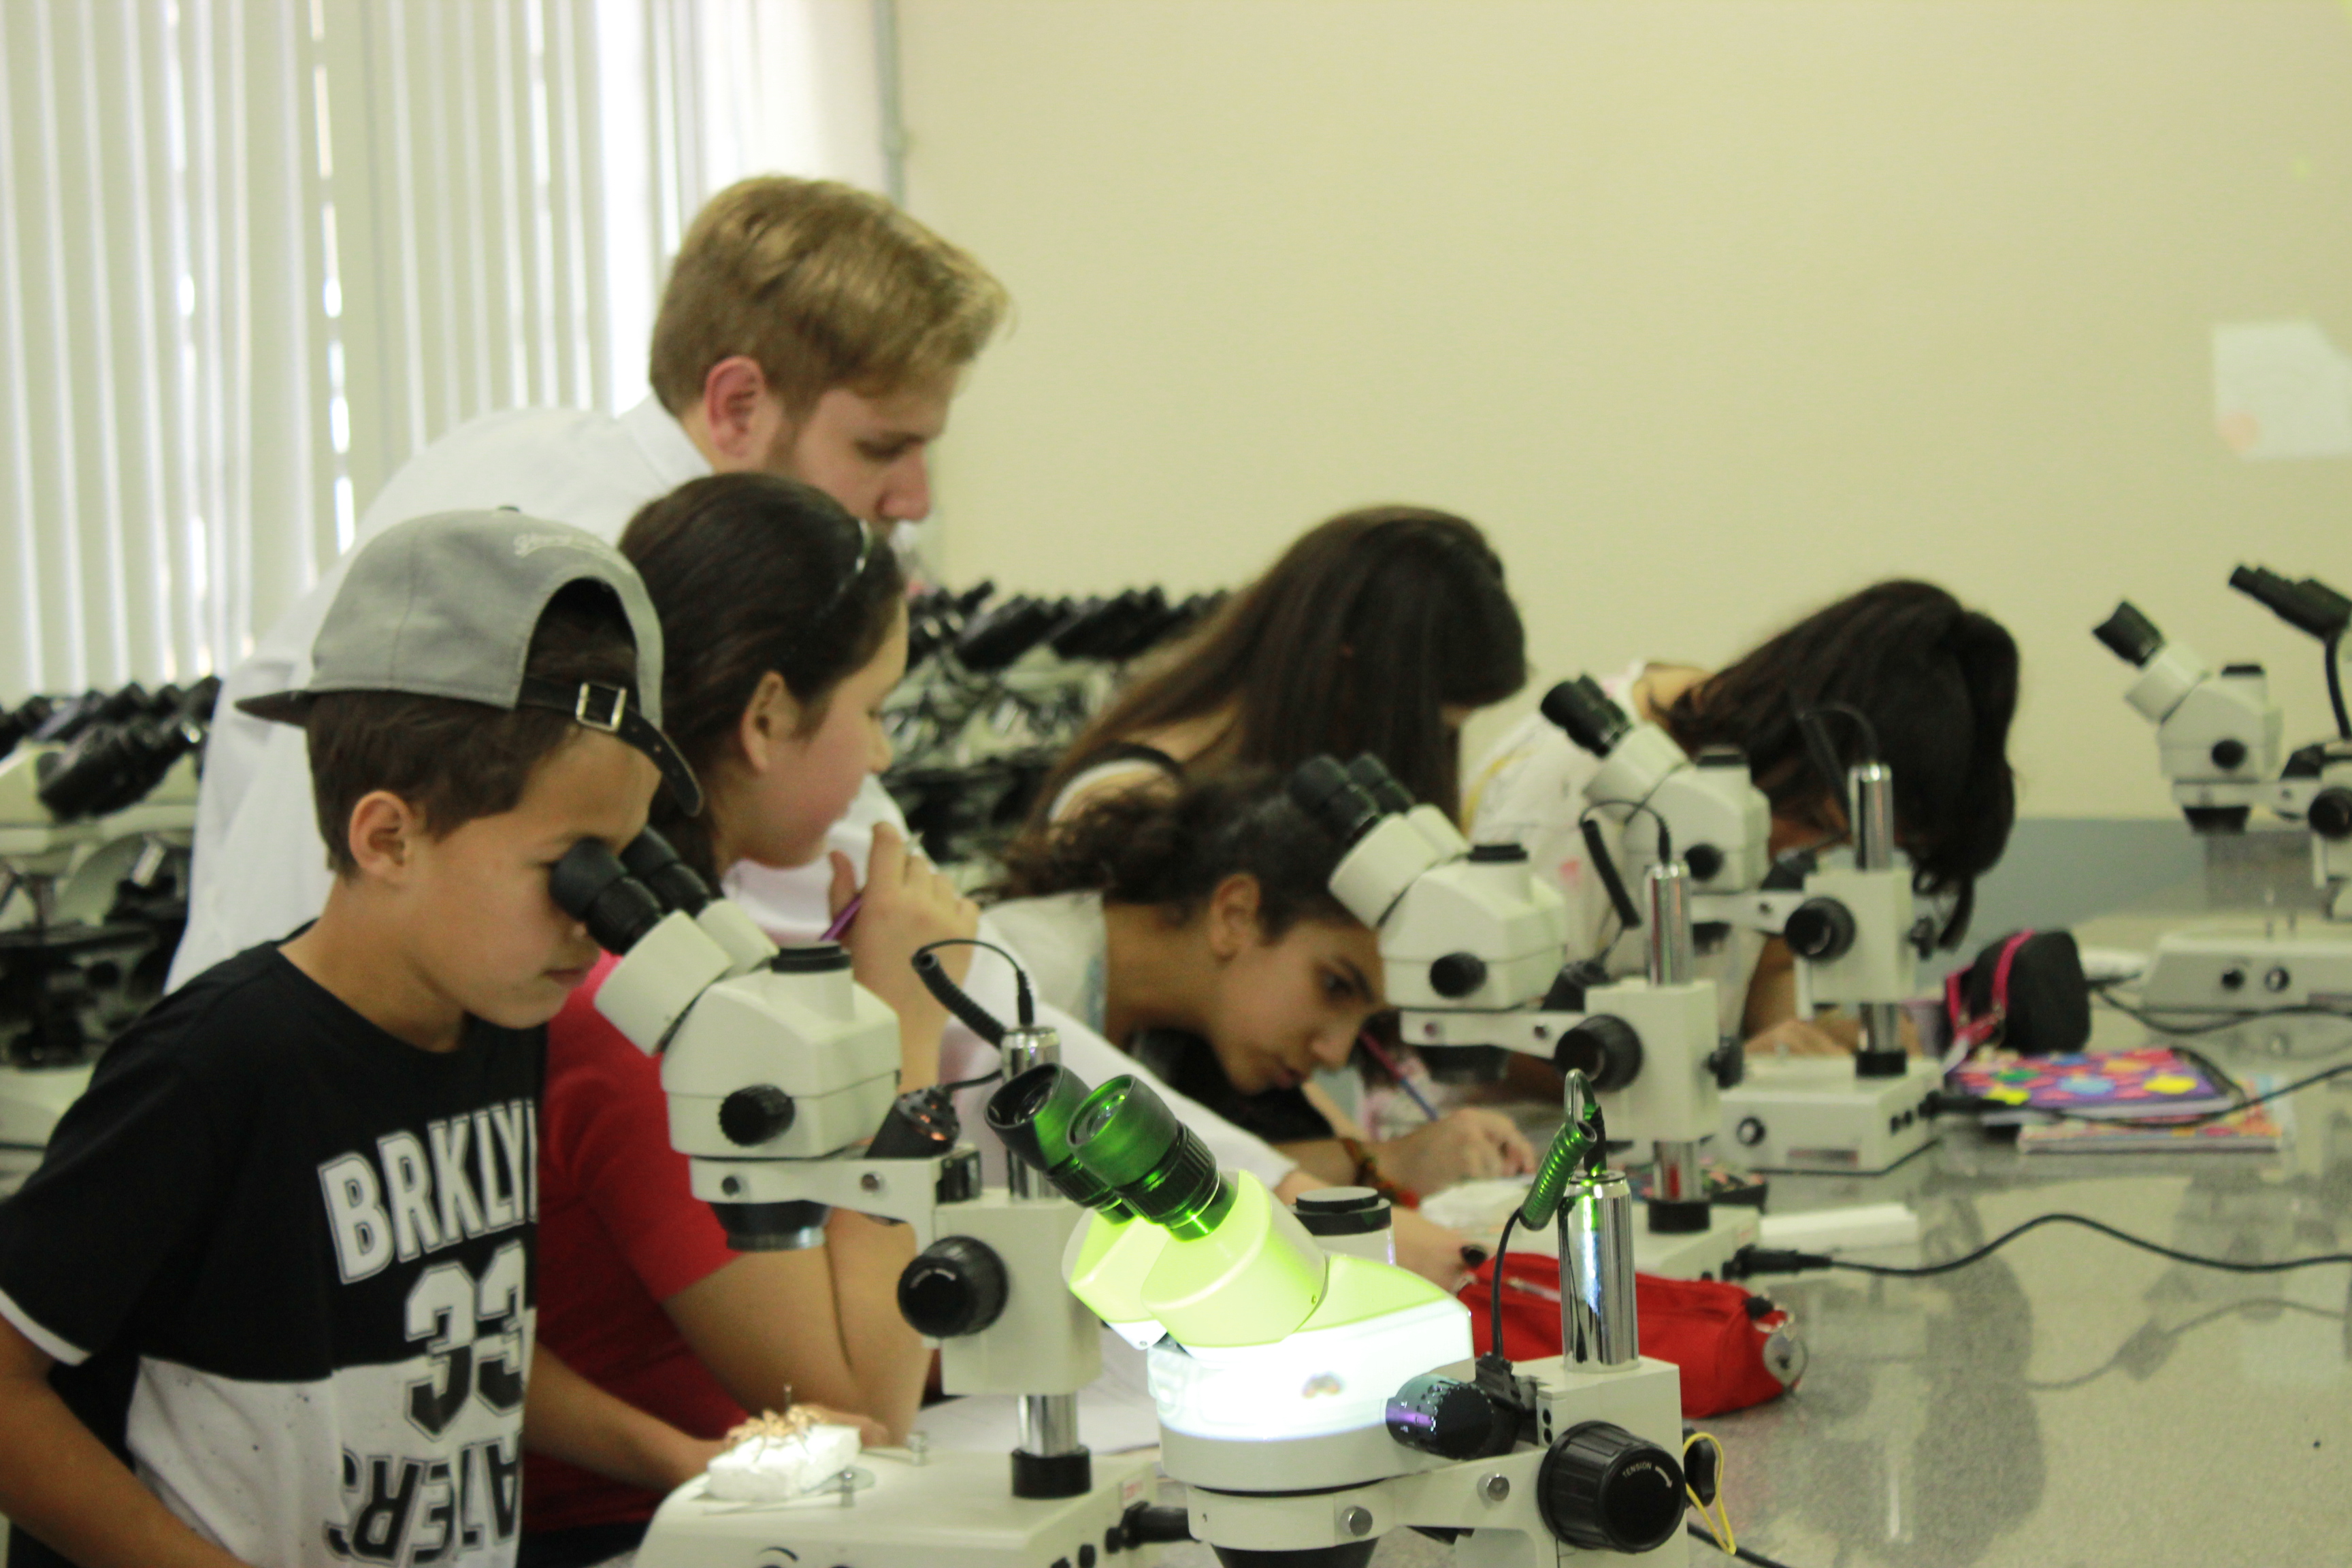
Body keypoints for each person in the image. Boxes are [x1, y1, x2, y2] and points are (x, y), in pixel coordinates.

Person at [0, 512, 725, 1568]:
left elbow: (462, 1345)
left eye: (623, 859)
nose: (597, 917)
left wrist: (680, 1460)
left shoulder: (497, 1025)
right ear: (387, 837)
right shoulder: (215, 1066)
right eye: (570, 868)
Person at [173, 174, 1008, 989]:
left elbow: (257, 700)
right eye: (880, 448)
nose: (915, 499)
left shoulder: (500, 446)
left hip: (238, 1004)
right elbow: (903, 916)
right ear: (738, 405)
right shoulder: (679, 590)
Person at [1467, 579, 2021, 1054]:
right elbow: (1493, 1035)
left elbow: (1767, 964)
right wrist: (1708, 1077)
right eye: (1821, 825)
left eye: (1842, 844)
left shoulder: (1768, 763)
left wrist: (1815, 1041)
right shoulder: (1574, 789)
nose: (1810, 850)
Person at [989, 771, 1536, 1213]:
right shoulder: (1023, 974)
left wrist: (1389, 1159)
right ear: (1236, 915)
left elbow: (1185, 1163)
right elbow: (1073, 1205)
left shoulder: (1162, 1024)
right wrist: (1384, 1163)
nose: (1336, 1052)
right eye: (1334, 986)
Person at [1028, 504, 1526, 829]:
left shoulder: (1309, 784)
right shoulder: (1133, 798)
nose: (1427, 752)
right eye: (1430, 729)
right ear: (1348, 656)